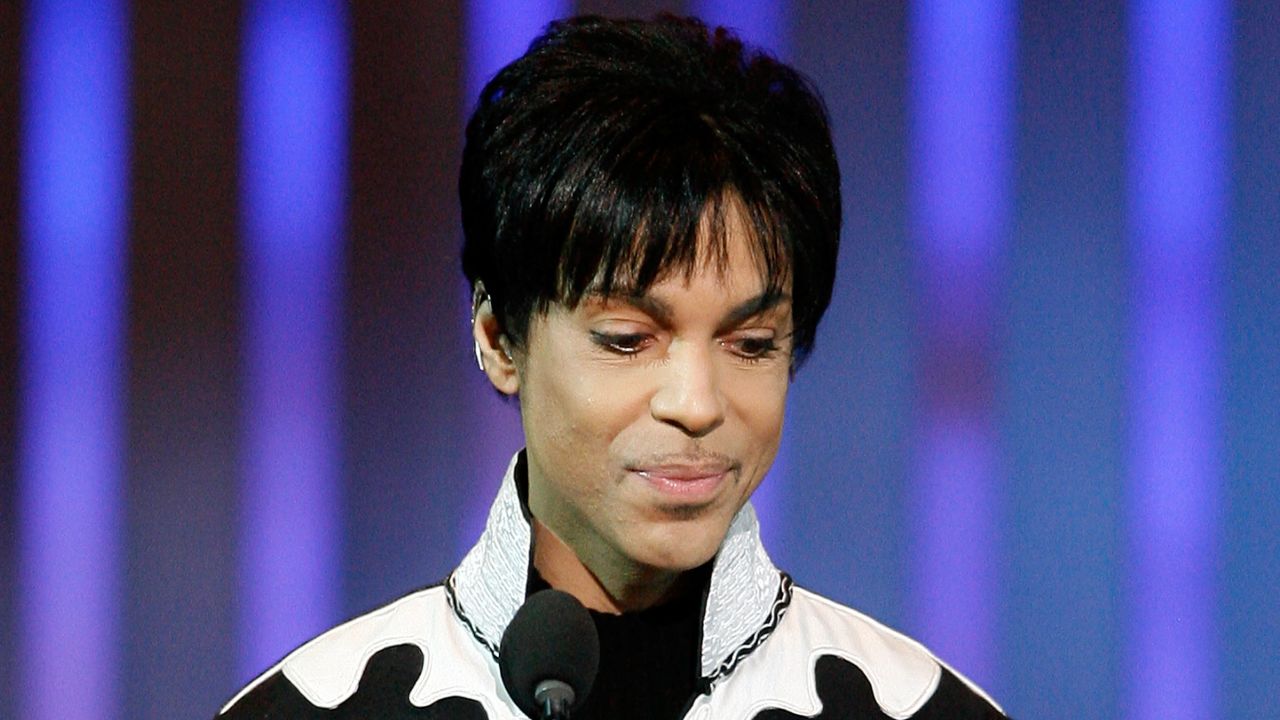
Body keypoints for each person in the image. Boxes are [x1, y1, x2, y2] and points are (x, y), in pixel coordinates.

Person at [217, 14, 1006, 720]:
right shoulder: (322, 706)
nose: (697, 404)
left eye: (752, 344)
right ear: (498, 338)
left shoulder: (911, 708)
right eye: (629, 339)